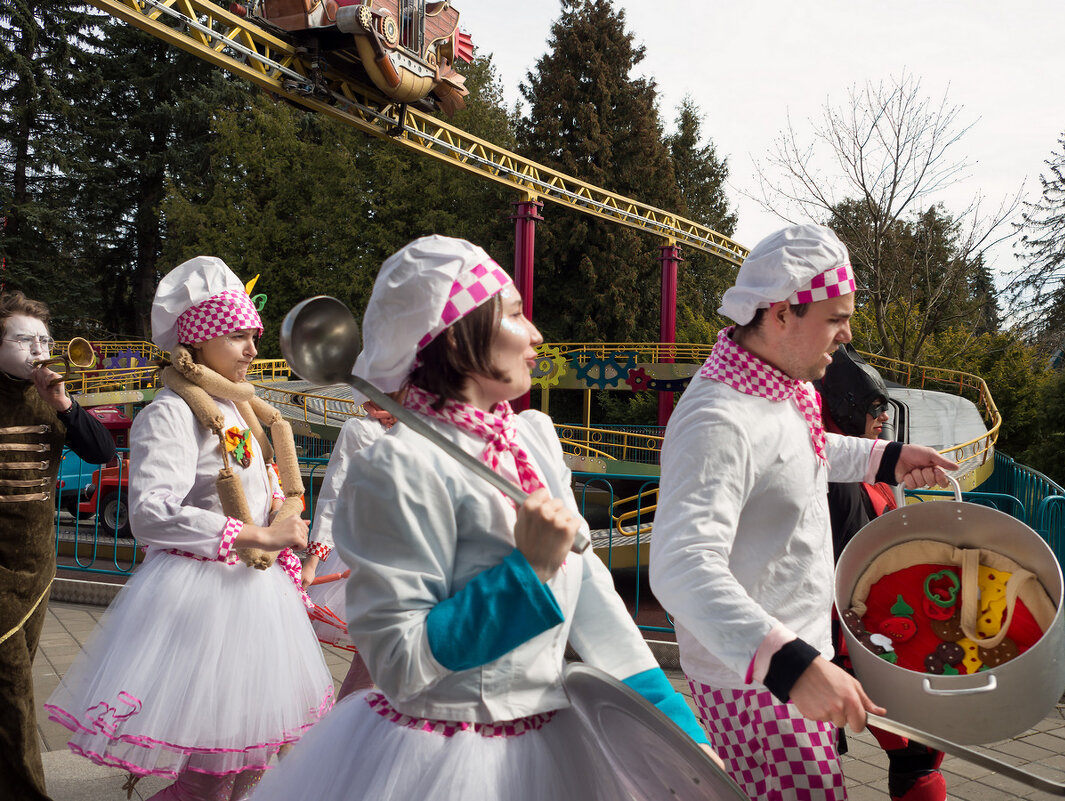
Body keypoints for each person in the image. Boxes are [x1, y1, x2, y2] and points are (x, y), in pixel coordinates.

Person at [252, 235, 717, 801]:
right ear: (457, 334)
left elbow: (596, 607)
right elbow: (399, 663)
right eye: (518, 313)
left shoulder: (534, 441)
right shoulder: (395, 467)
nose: (537, 335)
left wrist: (686, 739)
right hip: (440, 761)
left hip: (552, 744)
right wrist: (527, 571)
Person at [649, 224, 958, 801]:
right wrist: (792, 666)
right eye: (836, 318)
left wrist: (887, 457)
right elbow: (680, 567)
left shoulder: (779, 385)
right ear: (784, 312)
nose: (845, 335)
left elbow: (800, 455)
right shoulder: (719, 418)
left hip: (789, 659)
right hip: (758, 679)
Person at [45, 257, 334, 801]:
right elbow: (151, 511)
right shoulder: (172, 412)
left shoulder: (237, 409)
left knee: (253, 763)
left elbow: (258, 487)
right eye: (238, 336)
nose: (252, 348)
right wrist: (259, 537)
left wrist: (282, 513)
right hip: (207, 602)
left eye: (253, 335)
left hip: (254, 594)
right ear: (198, 341)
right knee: (210, 776)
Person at [815, 345, 947, 801]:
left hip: (866, 636)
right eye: (873, 410)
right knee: (815, 765)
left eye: (884, 410)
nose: (882, 420)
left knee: (920, 755)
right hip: (836, 642)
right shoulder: (832, 476)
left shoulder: (865, 466)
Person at [0, 291, 116, 801]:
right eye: (24, 340)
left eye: (45, 339)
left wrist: (64, 403)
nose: (39, 350)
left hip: (38, 567)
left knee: (13, 683)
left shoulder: (53, 396)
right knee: (13, 692)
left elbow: (103, 452)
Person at [303, 397, 400, 698]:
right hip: (379, 555)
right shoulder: (361, 429)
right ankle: (345, 738)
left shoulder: (437, 424)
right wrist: (313, 560)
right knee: (370, 663)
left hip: (436, 557)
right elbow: (334, 493)